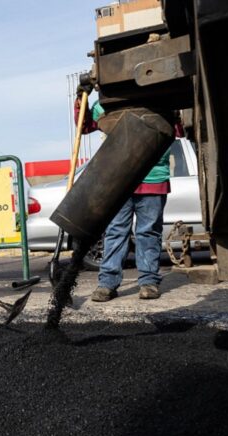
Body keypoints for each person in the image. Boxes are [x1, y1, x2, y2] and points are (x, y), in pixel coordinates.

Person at [87, 102, 171, 302]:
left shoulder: (164, 97)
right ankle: (107, 283)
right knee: (116, 231)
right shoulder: (105, 104)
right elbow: (86, 126)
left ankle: (148, 282)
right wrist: (80, 101)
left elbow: (179, 129)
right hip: (119, 180)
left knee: (148, 232)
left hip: (153, 177)